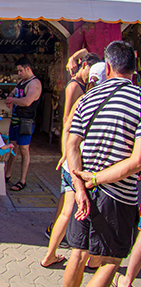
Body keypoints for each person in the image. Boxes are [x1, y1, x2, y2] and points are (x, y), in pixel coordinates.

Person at [63, 41, 141, 287]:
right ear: (134, 71)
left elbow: (72, 144)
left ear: (108, 68)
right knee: (111, 259)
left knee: (77, 252)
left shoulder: (89, 98)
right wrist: (95, 179)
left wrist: (79, 185)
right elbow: (136, 161)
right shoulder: (139, 100)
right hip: (118, 194)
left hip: (85, 189)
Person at [42, 53, 102, 269]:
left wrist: (66, 154)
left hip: (72, 163)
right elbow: (67, 122)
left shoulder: (85, 96)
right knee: (83, 212)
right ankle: (90, 258)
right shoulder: (82, 92)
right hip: (82, 165)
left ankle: (51, 254)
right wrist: (67, 152)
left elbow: (68, 124)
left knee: (67, 210)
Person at [4, 57, 42, 192]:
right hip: (15, 120)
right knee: (12, 147)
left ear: (28, 69)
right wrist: (10, 96)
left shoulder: (34, 84)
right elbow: (14, 92)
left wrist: (12, 99)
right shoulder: (21, 82)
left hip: (26, 121)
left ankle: (22, 180)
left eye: (20, 70)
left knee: (24, 150)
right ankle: (7, 174)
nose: (18, 73)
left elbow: (27, 101)